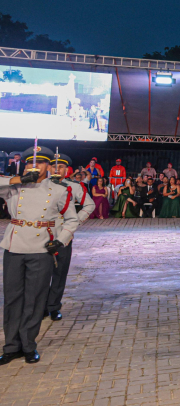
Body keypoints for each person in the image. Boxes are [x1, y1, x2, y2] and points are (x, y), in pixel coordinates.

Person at [0, 146, 79, 365]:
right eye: (29, 163)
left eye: (40, 163)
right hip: (15, 247)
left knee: (34, 300)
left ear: (49, 166)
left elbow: (72, 220)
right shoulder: (14, 187)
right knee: (13, 299)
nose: (34, 166)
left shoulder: (59, 189)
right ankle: (11, 346)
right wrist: (18, 180)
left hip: (42, 248)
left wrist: (60, 240)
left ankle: (28, 345)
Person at [45, 153, 95, 321]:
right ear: (49, 168)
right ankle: (40, 306)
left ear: (67, 169)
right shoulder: (40, 185)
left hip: (62, 234)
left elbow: (90, 204)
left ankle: (53, 306)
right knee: (40, 274)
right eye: (54, 166)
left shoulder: (73, 186)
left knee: (59, 272)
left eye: (61, 166)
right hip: (40, 234)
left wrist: (74, 221)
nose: (57, 169)